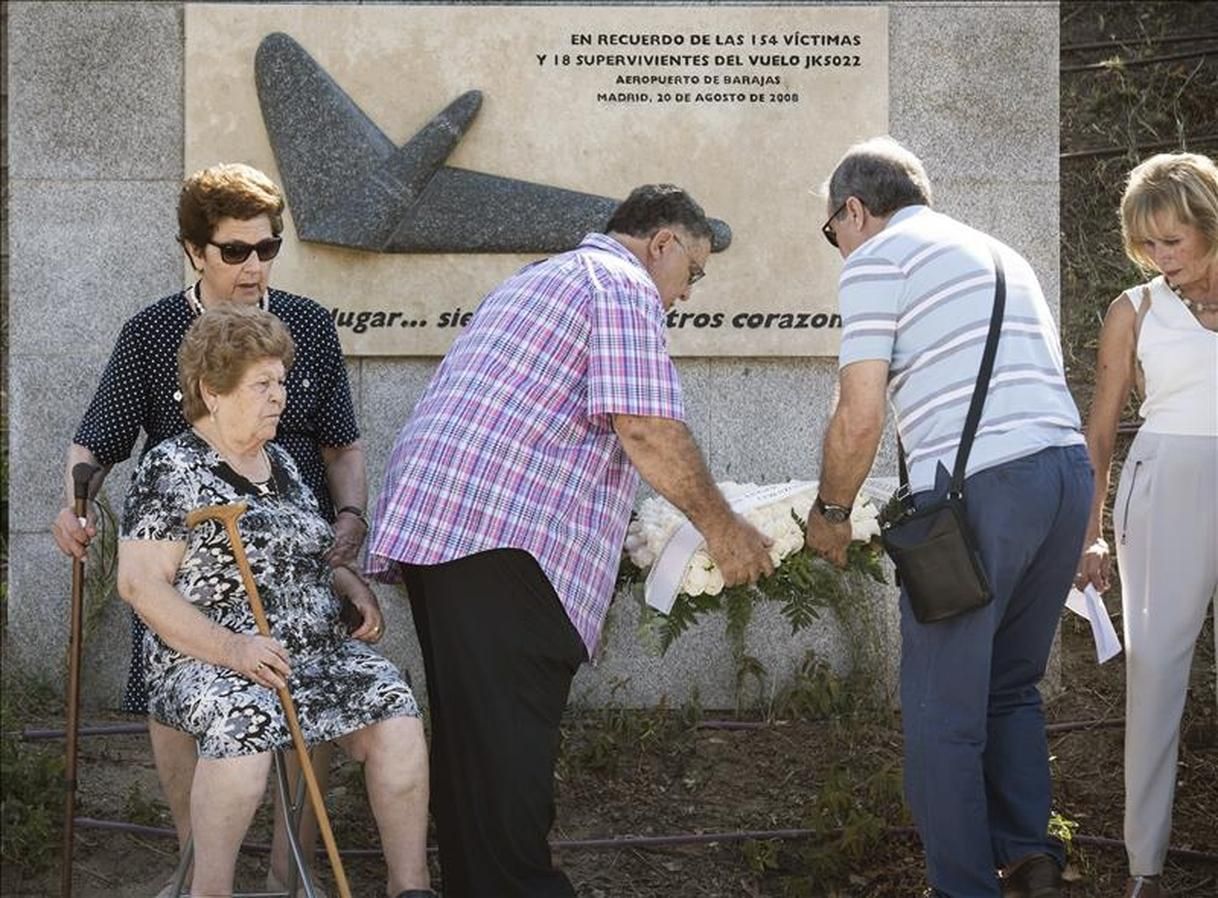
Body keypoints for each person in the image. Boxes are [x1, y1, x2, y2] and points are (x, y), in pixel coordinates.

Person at [367, 184, 774, 897]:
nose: (687, 294)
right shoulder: (621, 283)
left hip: (449, 533)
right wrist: (724, 529)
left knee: (478, 755)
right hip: (502, 543)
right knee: (509, 757)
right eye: (694, 273)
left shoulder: (542, 278)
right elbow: (645, 426)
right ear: (664, 244)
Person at [49, 163, 367, 894]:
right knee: (173, 693)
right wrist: (76, 500)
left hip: (292, 553)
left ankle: (293, 872)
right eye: (235, 250)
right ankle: (197, 868)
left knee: (306, 690)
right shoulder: (153, 331)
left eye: (268, 247)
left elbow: (342, 443)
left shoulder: (309, 327)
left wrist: (350, 516)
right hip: (185, 563)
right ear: (194, 250)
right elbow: (96, 438)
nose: (254, 265)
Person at [804, 137, 1092, 898]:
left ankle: (964, 886)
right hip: (1064, 478)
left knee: (942, 711)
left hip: (982, 497)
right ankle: (1031, 860)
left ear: (854, 211)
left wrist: (831, 513)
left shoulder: (877, 258)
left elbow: (858, 415)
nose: (838, 248)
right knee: (1011, 687)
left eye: (832, 232)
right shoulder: (999, 253)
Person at [116, 305, 433, 898]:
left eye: (281, 381)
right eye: (262, 383)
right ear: (213, 390)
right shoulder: (171, 467)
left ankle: (409, 887)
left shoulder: (282, 463)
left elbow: (308, 554)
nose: (279, 396)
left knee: (392, 704)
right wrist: (234, 648)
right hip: (207, 661)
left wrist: (350, 585)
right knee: (244, 722)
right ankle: (210, 889)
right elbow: (140, 584)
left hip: (307, 653)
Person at [1076, 153, 1218, 898]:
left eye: (1175, 241)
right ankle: (1145, 867)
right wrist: (1089, 531)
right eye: (1148, 245)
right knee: (1157, 670)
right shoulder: (1133, 308)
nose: (1163, 259)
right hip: (1163, 484)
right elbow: (1099, 432)